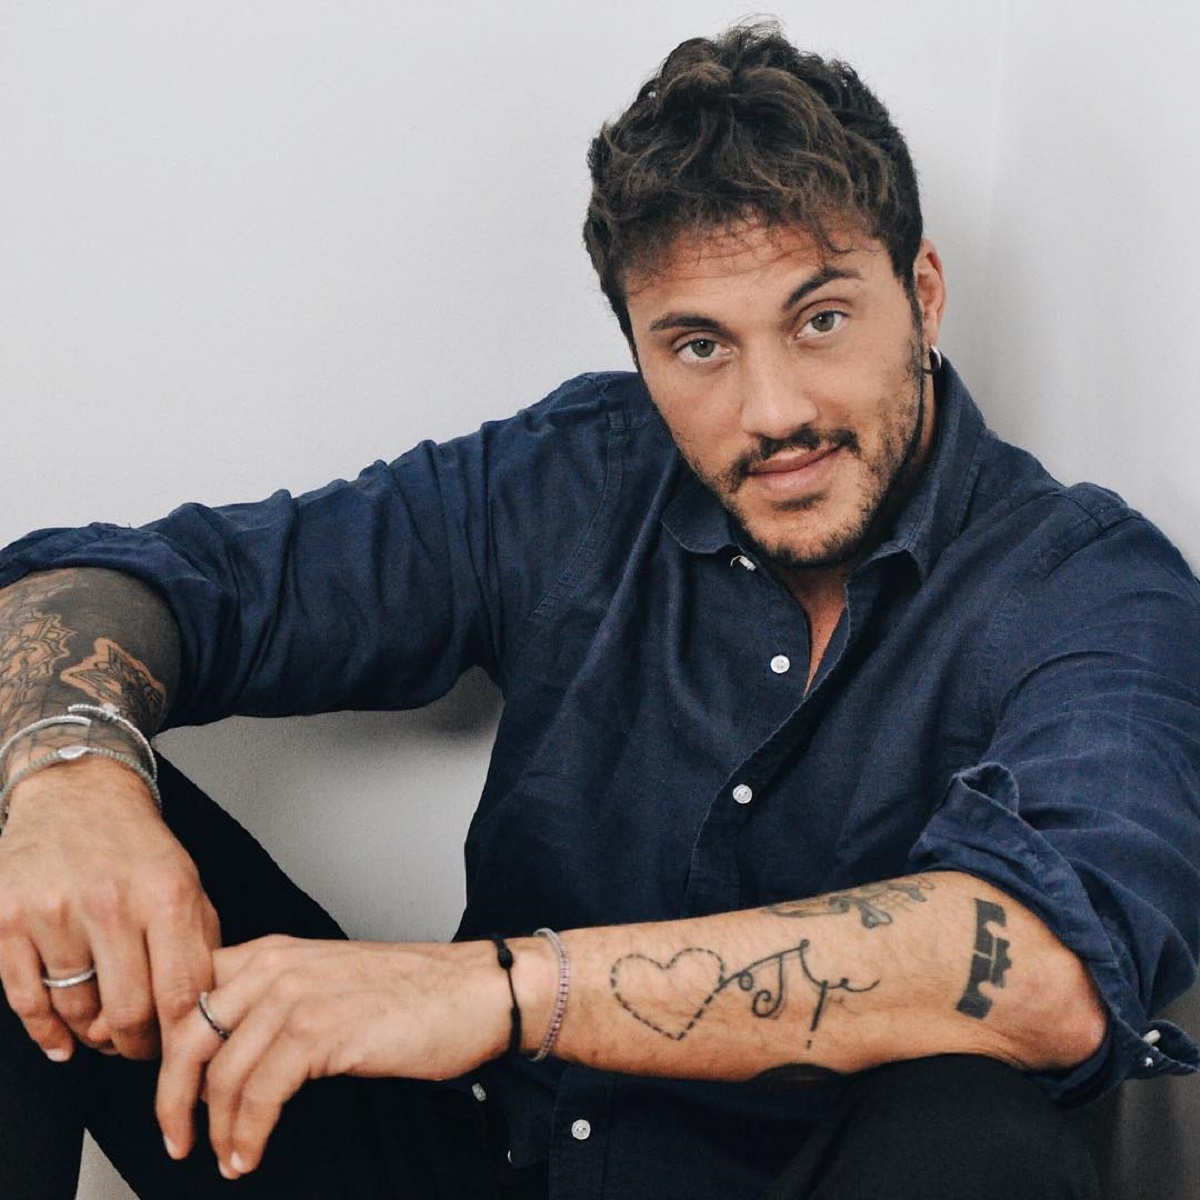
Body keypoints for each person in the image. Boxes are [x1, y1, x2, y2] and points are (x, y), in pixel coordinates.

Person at [0, 21, 1197, 1200]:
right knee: (24, 780)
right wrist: (70, 772)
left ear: (923, 296)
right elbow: (144, 582)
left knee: (979, 1133)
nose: (773, 409)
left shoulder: (1090, 586)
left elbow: (1048, 972)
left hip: (811, 1181)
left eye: (821, 319)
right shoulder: (573, 476)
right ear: (638, 347)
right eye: (699, 347)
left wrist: (500, 991)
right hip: (490, 1163)